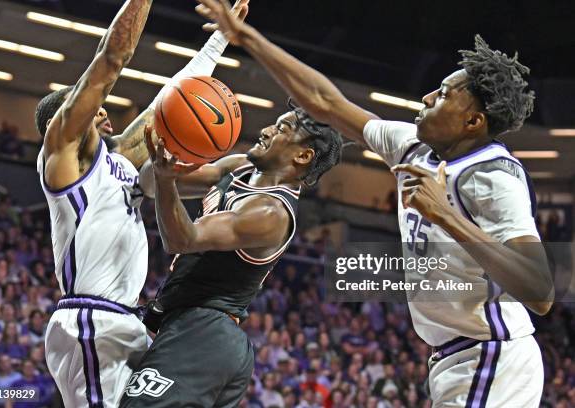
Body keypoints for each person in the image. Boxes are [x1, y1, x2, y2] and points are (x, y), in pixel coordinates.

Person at [196, 3, 553, 406]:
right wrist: (247, 39)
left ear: (473, 122)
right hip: (458, 358)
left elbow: (540, 292)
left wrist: (448, 218)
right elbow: (324, 101)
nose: (428, 95)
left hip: (493, 355)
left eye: (445, 94)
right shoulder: (412, 146)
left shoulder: (493, 178)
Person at [34, 0, 249, 405]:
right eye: (98, 113)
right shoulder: (63, 158)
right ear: (63, 121)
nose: (109, 120)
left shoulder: (116, 162)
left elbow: (166, 105)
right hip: (91, 320)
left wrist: (219, 43)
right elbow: (111, 58)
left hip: (125, 320)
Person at [120, 102, 344, 407]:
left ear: (302, 155)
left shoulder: (270, 212)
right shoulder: (240, 166)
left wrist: (164, 178)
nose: (265, 131)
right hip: (182, 322)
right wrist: (168, 150)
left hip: (206, 330)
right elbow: (151, 184)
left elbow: (182, 238)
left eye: (281, 130)